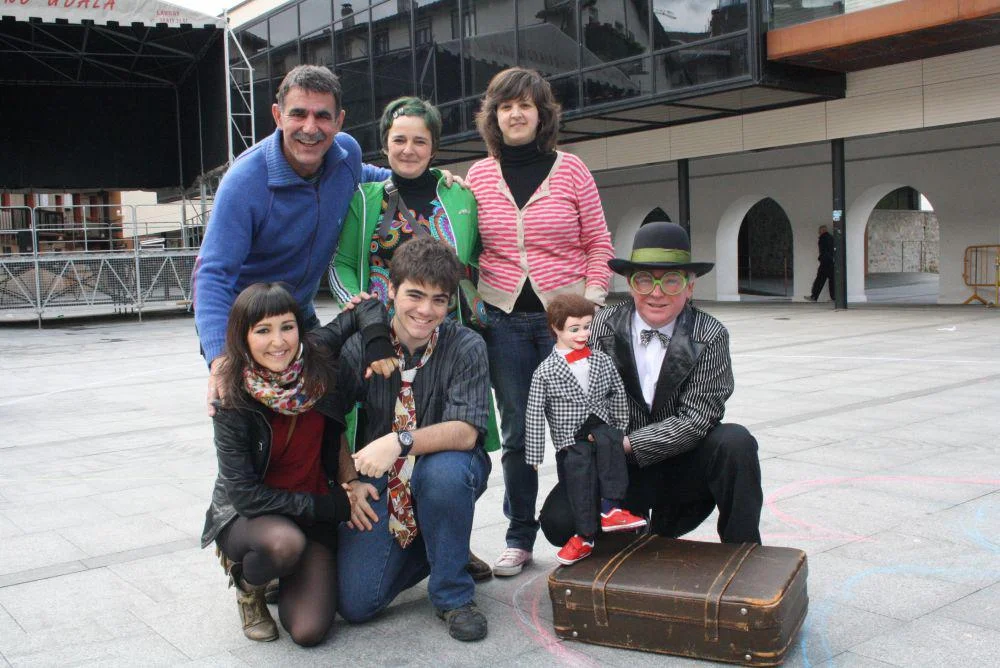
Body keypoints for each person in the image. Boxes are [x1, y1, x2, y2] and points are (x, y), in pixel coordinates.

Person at [330, 95, 496, 581]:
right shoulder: (364, 198)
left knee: (450, 447)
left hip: (443, 337)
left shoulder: (459, 197)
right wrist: (366, 318)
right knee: (375, 431)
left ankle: (450, 542)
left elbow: (478, 259)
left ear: (434, 147)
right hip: (380, 339)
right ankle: (402, 536)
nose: (408, 149)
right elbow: (342, 264)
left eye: (420, 141)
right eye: (398, 139)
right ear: (384, 144)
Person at [466, 66, 615, 577]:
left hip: (565, 326)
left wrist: (591, 305)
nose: (516, 114)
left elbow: (598, 243)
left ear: (541, 113)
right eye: (506, 106)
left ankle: (586, 528)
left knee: (576, 429)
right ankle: (519, 537)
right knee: (517, 435)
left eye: (525, 105)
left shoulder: (571, 170)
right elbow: (466, 245)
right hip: (503, 323)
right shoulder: (478, 176)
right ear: (494, 116)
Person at [539, 222, 763, 549]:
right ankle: (624, 530)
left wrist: (626, 443)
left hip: (683, 466)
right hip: (619, 470)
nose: (656, 293)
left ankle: (744, 552)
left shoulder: (711, 334)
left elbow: (697, 420)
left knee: (736, 443)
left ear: (690, 287)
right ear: (631, 285)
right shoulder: (597, 328)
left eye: (671, 281)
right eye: (644, 280)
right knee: (558, 523)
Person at [200, 282, 396, 645]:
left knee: (309, 630)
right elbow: (244, 496)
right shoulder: (231, 397)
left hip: (310, 511)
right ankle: (249, 585)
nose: (278, 342)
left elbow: (367, 306)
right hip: (252, 517)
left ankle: (284, 573)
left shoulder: (314, 357)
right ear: (242, 337)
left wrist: (377, 344)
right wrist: (328, 505)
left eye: (287, 327)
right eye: (263, 330)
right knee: (283, 544)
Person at [194, 65, 391, 416]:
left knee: (323, 417)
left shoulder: (346, 155)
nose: (310, 128)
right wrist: (220, 358)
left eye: (322, 116)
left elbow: (372, 176)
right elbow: (212, 273)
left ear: (339, 121)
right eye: (298, 114)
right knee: (254, 428)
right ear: (278, 115)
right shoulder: (244, 182)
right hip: (250, 327)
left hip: (301, 315)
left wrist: (434, 180)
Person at [334, 236, 493, 642]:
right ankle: (443, 543)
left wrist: (399, 441)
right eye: (415, 295)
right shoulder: (362, 346)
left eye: (439, 300)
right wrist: (349, 481)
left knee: (443, 475)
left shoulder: (466, 345)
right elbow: (329, 420)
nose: (425, 311)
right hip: (381, 478)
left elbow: (466, 432)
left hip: (447, 466)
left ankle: (453, 595)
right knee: (356, 603)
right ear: (391, 290)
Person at [524, 293, 646, 566]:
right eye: (574, 329)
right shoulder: (544, 372)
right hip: (571, 438)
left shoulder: (601, 360)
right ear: (556, 328)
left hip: (603, 428)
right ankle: (584, 537)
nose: (583, 335)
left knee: (612, 463)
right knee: (579, 483)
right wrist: (534, 454)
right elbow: (533, 412)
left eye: (587, 327)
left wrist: (618, 427)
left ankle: (612, 509)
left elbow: (617, 392)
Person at [808, 224, 835, 301]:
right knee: (832, 280)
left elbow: (823, 251)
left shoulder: (823, 238)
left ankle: (814, 296)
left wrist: (821, 258)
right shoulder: (831, 238)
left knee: (819, 279)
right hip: (831, 262)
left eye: (819, 232)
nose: (819, 233)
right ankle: (834, 297)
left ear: (822, 231)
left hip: (825, 262)